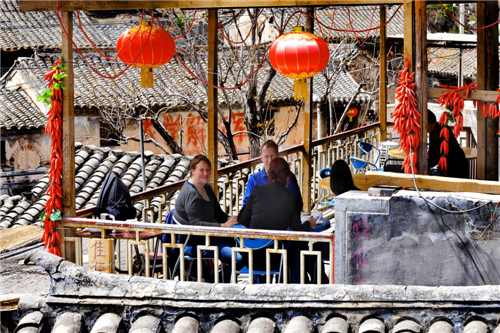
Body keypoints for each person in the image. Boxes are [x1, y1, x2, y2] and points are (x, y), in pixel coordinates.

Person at [238, 158, 325, 283]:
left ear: (270, 175)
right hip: (275, 258)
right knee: (297, 247)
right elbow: (297, 230)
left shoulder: (257, 190)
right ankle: (297, 283)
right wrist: (309, 223)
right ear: (287, 176)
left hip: (250, 256)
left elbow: (242, 219)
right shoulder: (290, 198)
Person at [174, 154, 242, 281]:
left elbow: (218, 213)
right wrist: (222, 226)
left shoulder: (206, 187)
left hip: (210, 236)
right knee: (239, 257)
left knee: (246, 247)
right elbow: (195, 224)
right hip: (195, 242)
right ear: (193, 171)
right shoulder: (191, 193)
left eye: (208, 169)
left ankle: (220, 279)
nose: (206, 173)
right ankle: (221, 282)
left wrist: (233, 220)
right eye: (201, 170)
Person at [243, 140, 302, 209]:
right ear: (261, 158)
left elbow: (298, 204)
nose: (270, 160)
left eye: (272, 156)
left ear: (278, 156)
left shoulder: (288, 177)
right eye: (266, 156)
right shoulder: (254, 180)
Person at [427, 110, 469, 179]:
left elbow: (433, 156)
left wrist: (422, 166)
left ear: (427, 122)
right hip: (461, 163)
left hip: (454, 168)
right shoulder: (442, 126)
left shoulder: (435, 131)